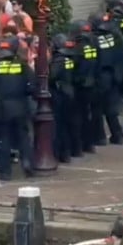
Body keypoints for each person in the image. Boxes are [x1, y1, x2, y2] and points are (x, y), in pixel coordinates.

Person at [0, 36, 36, 181]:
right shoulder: (23, 66)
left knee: (4, 139)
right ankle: (27, 163)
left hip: (2, 107)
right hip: (20, 105)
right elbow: (32, 87)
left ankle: (5, 171)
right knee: (23, 137)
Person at [90, 11, 123, 145]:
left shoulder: (92, 39)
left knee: (96, 108)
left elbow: (91, 61)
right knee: (111, 108)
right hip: (113, 76)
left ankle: (100, 137)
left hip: (99, 77)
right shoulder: (115, 35)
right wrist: (120, 75)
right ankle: (117, 135)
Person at [69, 19, 99, 154]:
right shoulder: (93, 44)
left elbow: (75, 66)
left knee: (76, 117)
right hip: (91, 84)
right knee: (88, 115)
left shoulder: (77, 47)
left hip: (79, 86)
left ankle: (77, 148)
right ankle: (89, 144)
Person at [50, 34, 79, 163]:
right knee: (67, 124)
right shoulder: (70, 58)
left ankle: (58, 152)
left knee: (58, 125)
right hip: (70, 92)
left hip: (60, 94)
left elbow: (52, 76)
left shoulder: (59, 60)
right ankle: (67, 152)